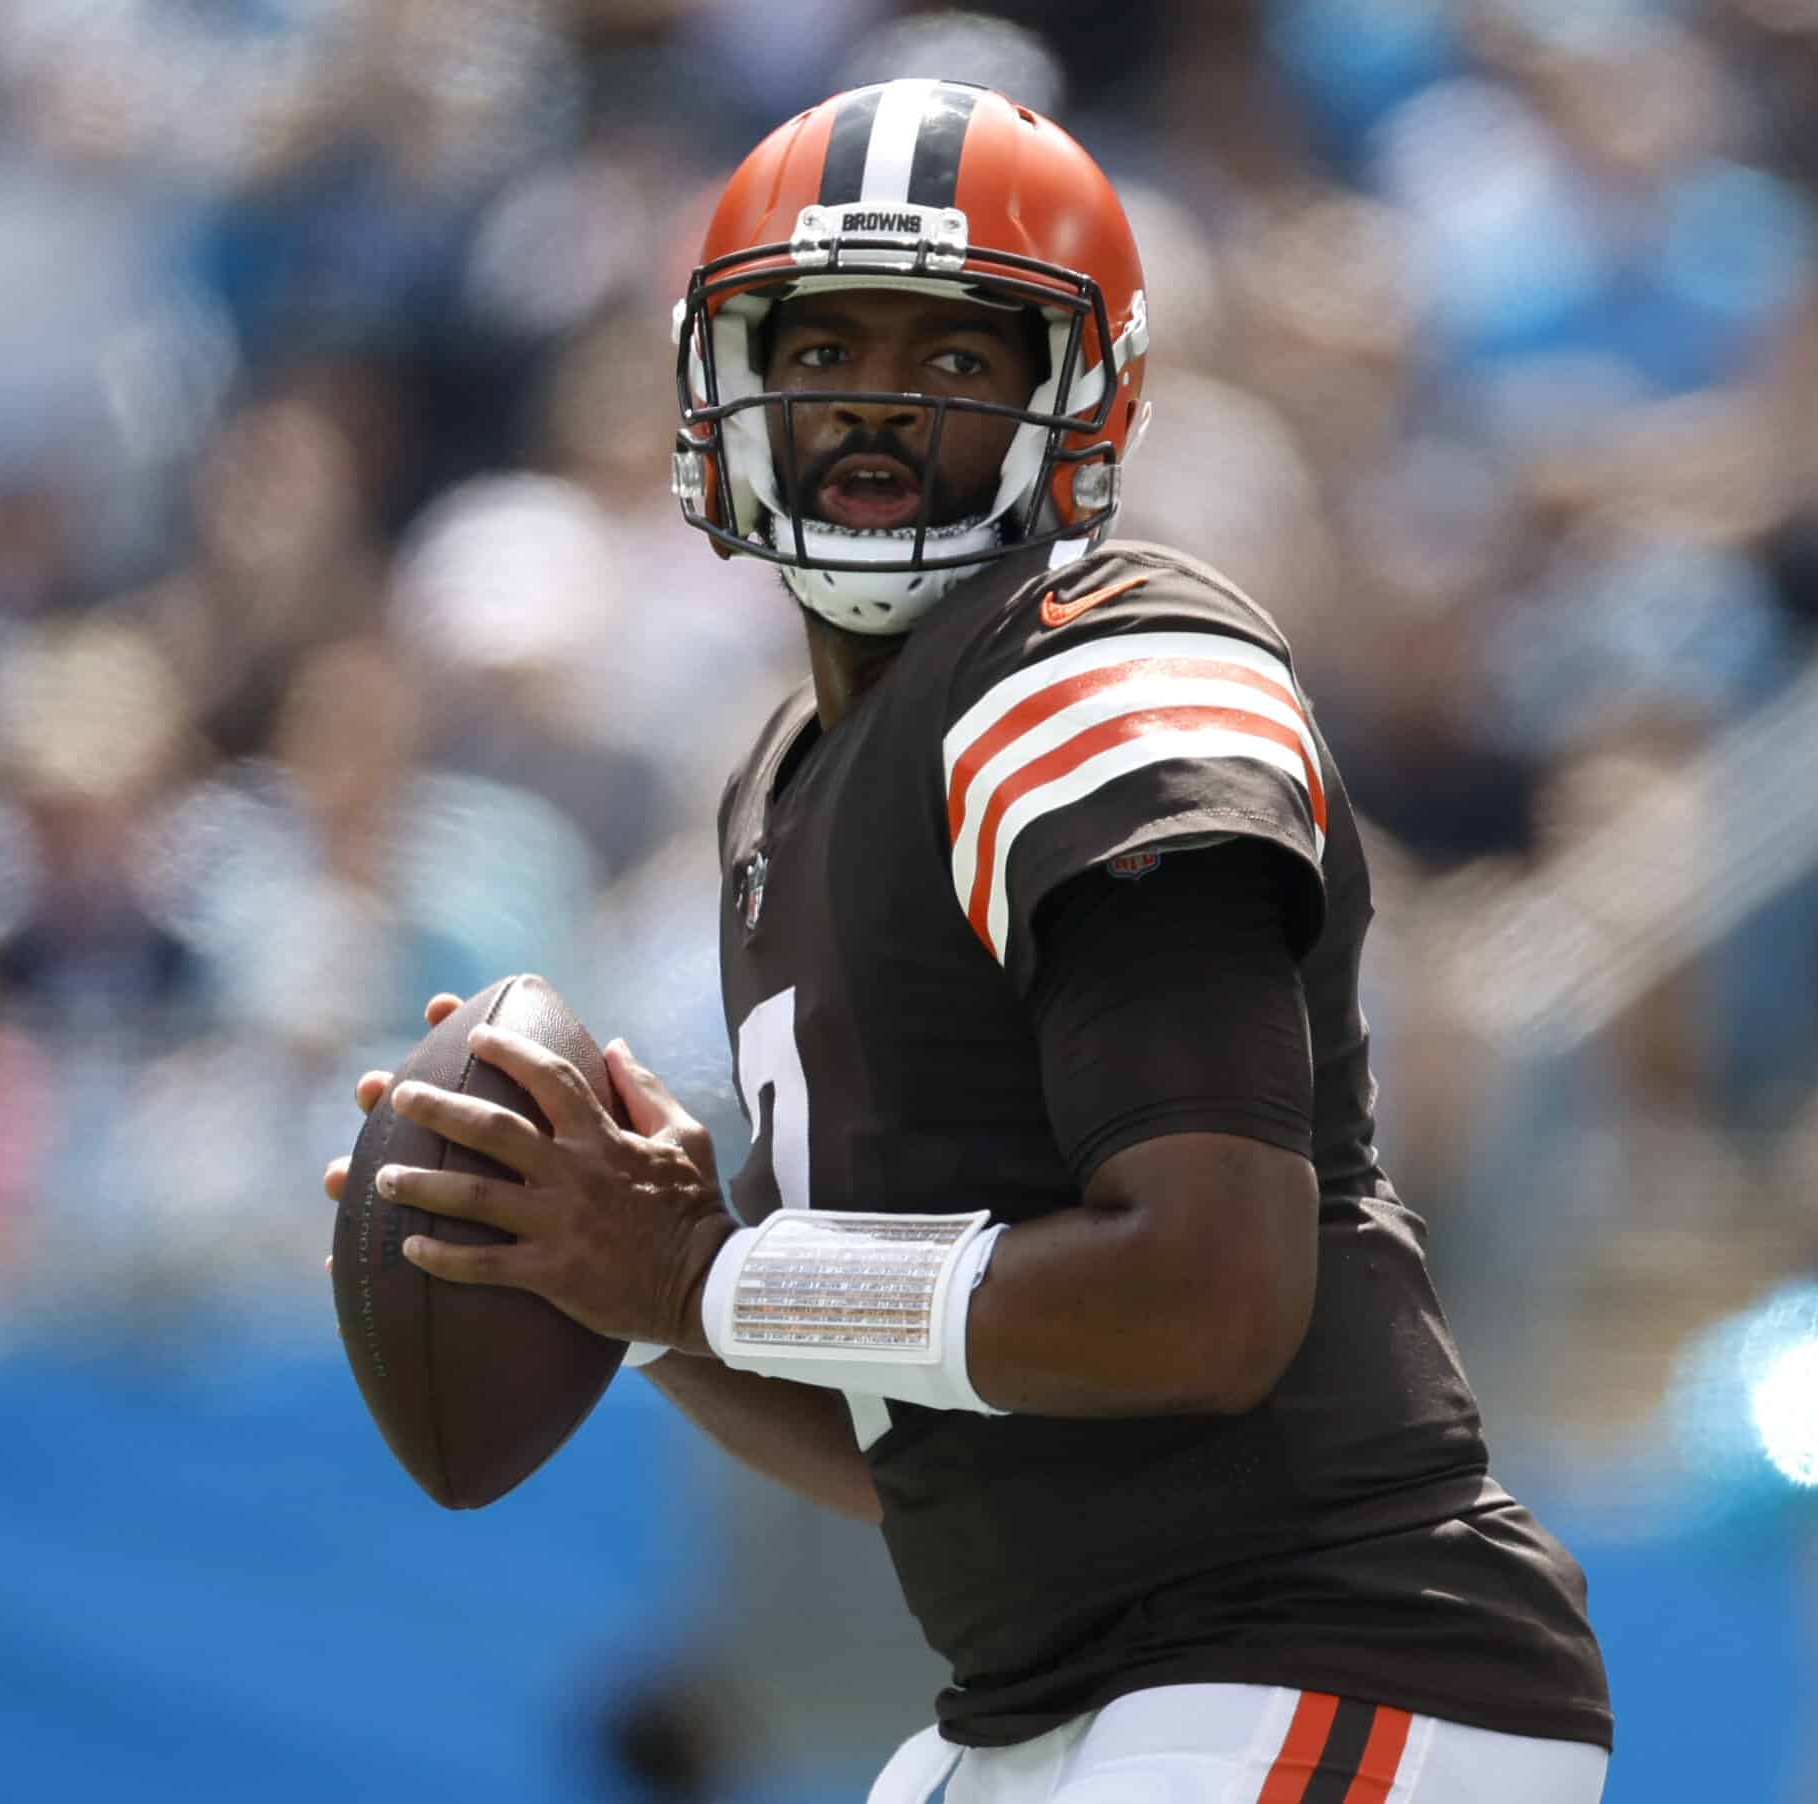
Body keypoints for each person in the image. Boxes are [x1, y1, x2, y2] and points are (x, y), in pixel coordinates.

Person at [325, 81, 1612, 1804]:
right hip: (1059, 1695)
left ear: (1075, 400)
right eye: (822, 347)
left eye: (950, 363)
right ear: (727, 389)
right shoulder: (782, 791)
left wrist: (703, 1271)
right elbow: (929, 1439)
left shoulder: (1099, 662)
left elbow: (1210, 1297)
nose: (872, 409)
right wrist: (623, 1291)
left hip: (1321, 1647)